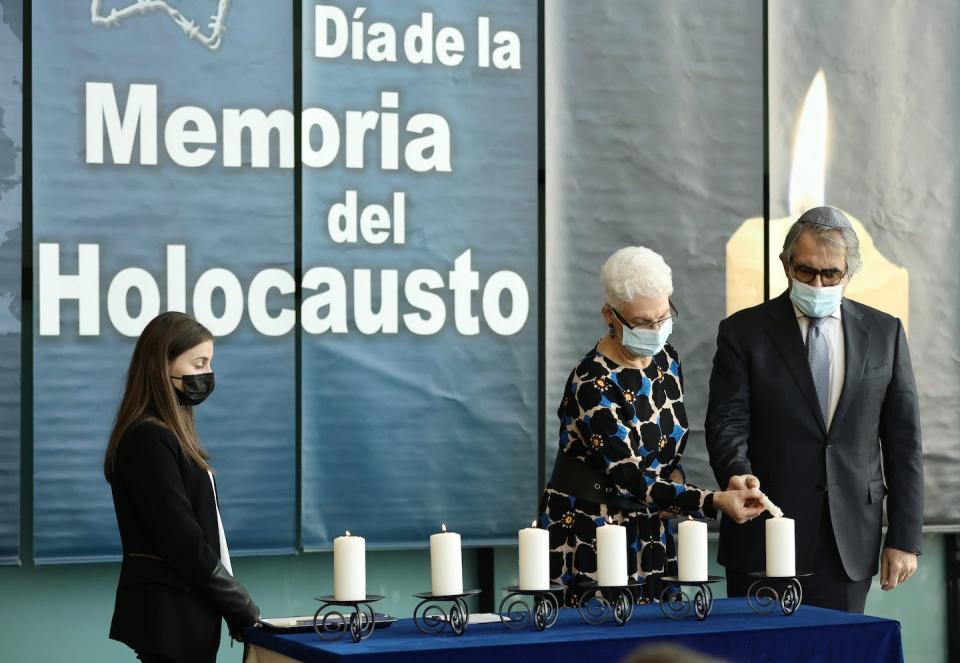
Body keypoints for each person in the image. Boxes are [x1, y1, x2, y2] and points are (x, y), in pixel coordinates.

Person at [706, 206, 923, 613]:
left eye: (831, 274)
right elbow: (727, 422)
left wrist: (904, 537)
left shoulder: (885, 332)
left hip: (848, 541)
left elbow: (903, 441)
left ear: (849, 273)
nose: (818, 283)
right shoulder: (743, 332)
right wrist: (737, 473)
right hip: (764, 528)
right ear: (786, 265)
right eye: (805, 271)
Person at [539, 246, 765, 605]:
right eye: (644, 323)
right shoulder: (591, 383)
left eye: (664, 316)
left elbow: (665, 455)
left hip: (651, 525)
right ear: (609, 317)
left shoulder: (666, 361)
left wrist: (676, 482)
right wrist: (714, 501)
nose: (657, 330)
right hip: (591, 530)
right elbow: (630, 477)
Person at [104, 312, 259, 662]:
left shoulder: (167, 436)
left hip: (188, 615)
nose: (207, 373)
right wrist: (239, 602)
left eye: (210, 362)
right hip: (170, 617)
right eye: (199, 362)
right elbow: (181, 539)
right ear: (163, 368)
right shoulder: (148, 439)